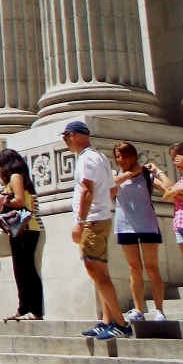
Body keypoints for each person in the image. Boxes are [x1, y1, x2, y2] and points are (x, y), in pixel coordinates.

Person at [64, 121, 130, 340]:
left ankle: (121, 324)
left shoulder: (85, 159)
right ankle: (107, 320)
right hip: (101, 218)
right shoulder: (100, 157)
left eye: (65, 137)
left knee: (95, 272)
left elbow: (87, 191)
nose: (65, 141)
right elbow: (111, 189)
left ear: (73, 135)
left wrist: (80, 221)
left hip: (92, 221)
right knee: (101, 272)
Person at [110, 143, 165, 322]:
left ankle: (159, 310)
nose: (121, 160)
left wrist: (158, 171)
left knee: (152, 267)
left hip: (147, 224)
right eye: (118, 156)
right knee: (134, 269)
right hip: (125, 225)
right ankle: (138, 309)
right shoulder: (115, 174)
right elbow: (109, 189)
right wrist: (127, 175)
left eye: (125, 156)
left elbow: (168, 188)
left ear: (134, 156)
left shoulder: (146, 175)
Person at [0, 149, 44, 321]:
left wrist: (2, 204)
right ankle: (24, 307)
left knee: (27, 269)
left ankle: (35, 309)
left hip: (26, 229)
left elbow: (20, 200)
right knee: (21, 270)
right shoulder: (20, 177)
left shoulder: (15, 176)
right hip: (21, 230)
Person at [153, 141, 183, 282]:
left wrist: (173, 191)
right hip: (179, 224)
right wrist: (176, 190)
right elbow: (166, 195)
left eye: (177, 158)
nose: (175, 163)